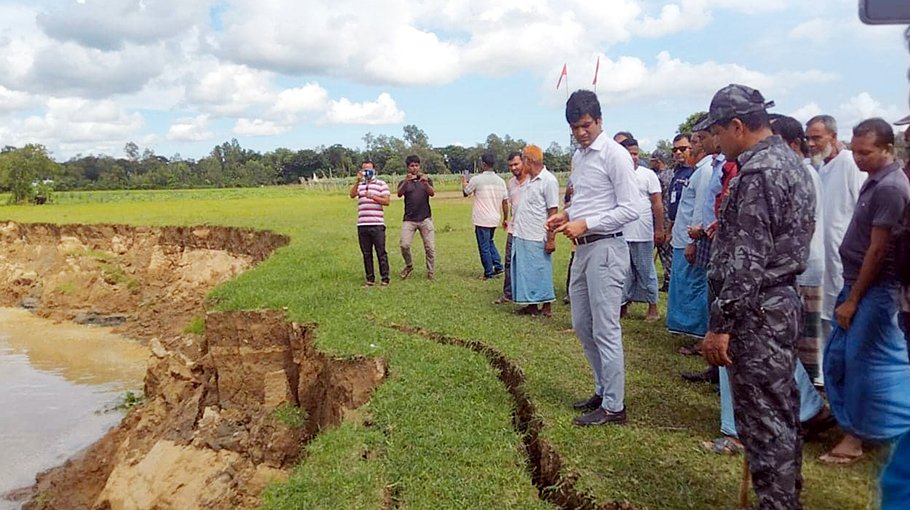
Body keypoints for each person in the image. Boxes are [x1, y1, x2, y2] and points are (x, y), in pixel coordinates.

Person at [700, 84, 815, 509]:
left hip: (757, 313)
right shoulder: (790, 163)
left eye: (718, 131)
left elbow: (746, 263)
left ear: (736, 126)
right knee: (780, 416)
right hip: (780, 304)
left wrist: (720, 326)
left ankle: (777, 503)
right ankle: (786, 498)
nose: (716, 141)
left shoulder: (758, 173)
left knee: (765, 423)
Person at [821, 118, 910, 466]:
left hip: (873, 287)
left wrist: (855, 299)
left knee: (864, 361)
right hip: (856, 282)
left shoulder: (890, 187)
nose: (858, 159)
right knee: (840, 355)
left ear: (887, 149)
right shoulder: (875, 180)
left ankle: (858, 435)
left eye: (866, 152)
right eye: (855, 151)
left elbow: (878, 249)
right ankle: (859, 424)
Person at [546, 90, 638, 426]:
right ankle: (603, 390)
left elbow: (631, 208)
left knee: (606, 328)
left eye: (586, 125)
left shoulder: (614, 155)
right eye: (575, 128)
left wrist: (588, 222)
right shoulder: (580, 157)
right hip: (583, 248)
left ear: (599, 120)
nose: (581, 133)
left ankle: (615, 406)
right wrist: (566, 215)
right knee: (582, 324)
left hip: (607, 248)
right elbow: (586, 199)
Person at [807, 114, 866, 376]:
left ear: (833, 136)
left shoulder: (850, 164)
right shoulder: (819, 166)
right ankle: (823, 370)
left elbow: (861, 211)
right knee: (821, 314)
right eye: (808, 138)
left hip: (844, 255)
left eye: (816, 138)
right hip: (822, 252)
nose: (811, 144)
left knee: (841, 314)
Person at [772, 116, 826, 382]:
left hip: (804, 268)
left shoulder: (802, 173)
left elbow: (808, 225)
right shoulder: (798, 171)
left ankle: (810, 404)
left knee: (804, 340)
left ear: (794, 144)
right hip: (800, 266)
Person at [667, 131, 709, 343]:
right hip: (682, 238)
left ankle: (700, 337)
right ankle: (695, 335)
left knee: (694, 287)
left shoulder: (705, 171)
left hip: (690, 241)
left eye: (691, 144)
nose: (687, 150)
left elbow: (701, 208)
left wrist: (693, 242)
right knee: (684, 286)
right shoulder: (695, 171)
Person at [510, 145, 559, 317]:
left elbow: (553, 212)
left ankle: (546, 306)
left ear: (528, 161)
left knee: (540, 270)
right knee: (525, 271)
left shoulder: (548, 181)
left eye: (522, 159)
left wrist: (551, 238)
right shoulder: (529, 180)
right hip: (522, 232)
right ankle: (530, 304)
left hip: (538, 234)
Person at [619, 138, 664, 321]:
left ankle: (652, 308)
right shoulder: (617, 174)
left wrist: (659, 228)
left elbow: (657, 203)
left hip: (642, 232)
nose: (633, 157)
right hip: (621, 232)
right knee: (623, 273)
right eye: (629, 153)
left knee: (646, 270)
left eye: (636, 153)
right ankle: (622, 307)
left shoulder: (648, 175)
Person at [463, 152, 508, 280]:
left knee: (484, 246)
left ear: (483, 164)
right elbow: (505, 201)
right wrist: (505, 218)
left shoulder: (477, 179)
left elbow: (466, 193)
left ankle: (489, 272)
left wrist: (464, 182)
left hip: (482, 218)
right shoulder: (500, 181)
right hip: (495, 217)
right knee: (489, 242)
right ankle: (498, 266)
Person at [350, 159, 391, 287]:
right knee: (366, 254)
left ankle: (385, 279)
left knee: (381, 252)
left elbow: (387, 201)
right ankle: (370, 279)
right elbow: (352, 195)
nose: (366, 172)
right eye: (364, 169)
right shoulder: (360, 185)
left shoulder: (381, 184)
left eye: (369, 169)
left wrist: (373, 196)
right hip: (362, 224)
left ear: (374, 171)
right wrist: (357, 181)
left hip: (377, 223)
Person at [494, 151, 527, 304]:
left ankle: (526, 294)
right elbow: (511, 204)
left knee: (526, 262)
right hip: (514, 228)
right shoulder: (511, 183)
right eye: (510, 165)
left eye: (516, 164)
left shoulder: (532, 180)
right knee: (509, 261)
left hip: (529, 230)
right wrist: (507, 220)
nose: (513, 168)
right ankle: (508, 294)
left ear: (524, 162)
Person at [397, 155, 436, 280]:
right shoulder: (404, 182)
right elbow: (399, 194)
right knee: (404, 245)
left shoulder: (426, 180)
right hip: (409, 219)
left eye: (416, 165)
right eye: (412, 166)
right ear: (408, 167)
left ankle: (431, 272)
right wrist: (406, 182)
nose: (414, 168)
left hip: (425, 218)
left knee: (430, 247)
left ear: (419, 166)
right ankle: (409, 266)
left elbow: (432, 193)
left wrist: (425, 184)